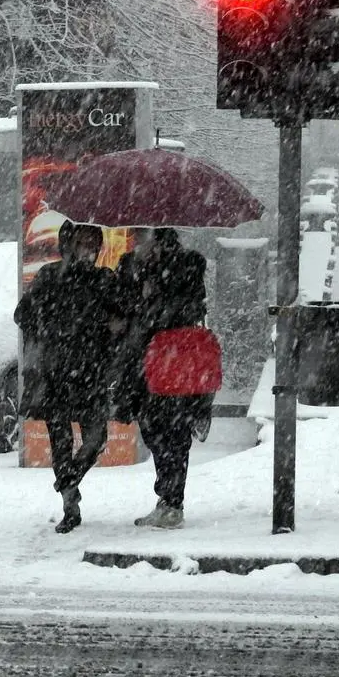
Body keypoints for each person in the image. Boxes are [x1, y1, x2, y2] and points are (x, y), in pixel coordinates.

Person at [13, 222, 122, 533]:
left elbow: (122, 318)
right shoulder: (51, 275)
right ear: (68, 245)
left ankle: (68, 478)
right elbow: (22, 315)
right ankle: (70, 504)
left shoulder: (104, 279)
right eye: (83, 242)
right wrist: (52, 326)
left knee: (96, 438)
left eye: (94, 243)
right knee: (60, 441)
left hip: (91, 373)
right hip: (56, 372)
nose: (90, 249)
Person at [116, 226, 211, 530]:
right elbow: (123, 309)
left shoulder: (188, 264)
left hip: (174, 359)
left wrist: (152, 297)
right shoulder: (130, 265)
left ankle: (171, 501)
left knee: (173, 431)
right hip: (147, 362)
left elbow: (191, 308)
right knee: (155, 430)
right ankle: (168, 498)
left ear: (157, 236)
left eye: (141, 235)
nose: (135, 241)